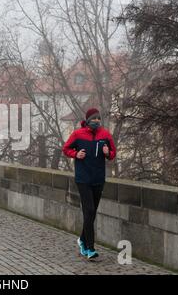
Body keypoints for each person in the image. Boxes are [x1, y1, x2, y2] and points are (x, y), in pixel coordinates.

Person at [62, 108, 116, 260]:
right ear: (87, 120)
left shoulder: (105, 134)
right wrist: (76, 154)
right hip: (83, 179)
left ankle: (81, 240)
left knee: (91, 213)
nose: (97, 121)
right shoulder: (78, 134)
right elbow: (66, 149)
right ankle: (90, 248)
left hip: (98, 179)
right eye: (94, 119)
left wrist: (107, 153)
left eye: (99, 119)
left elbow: (113, 154)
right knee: (89, 210)